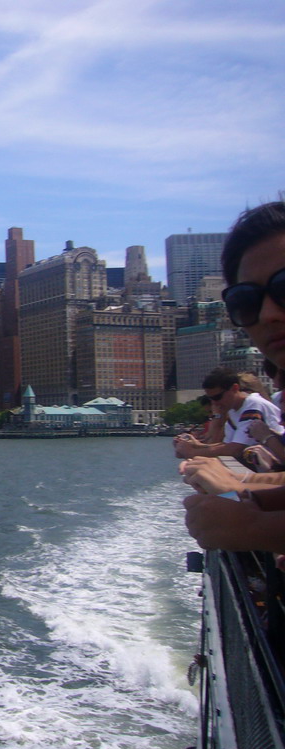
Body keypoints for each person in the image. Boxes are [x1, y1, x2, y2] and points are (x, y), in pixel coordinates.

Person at [183, 201, 285, 551]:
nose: (268, 313)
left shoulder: (255, 408)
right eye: (246, 300)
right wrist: (243, 489)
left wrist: (258, 528)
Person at [173, 367, 282, 460]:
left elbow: (235, 449)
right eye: (210, 399)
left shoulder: (253, 407)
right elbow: (226, 445)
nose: (214, 403)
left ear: (235, 388)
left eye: (217, 397)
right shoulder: (234, 410)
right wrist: (196, 445)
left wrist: (190, 453)